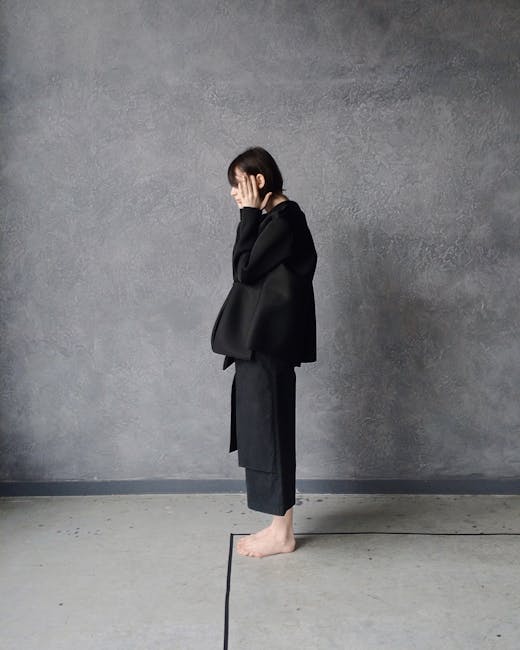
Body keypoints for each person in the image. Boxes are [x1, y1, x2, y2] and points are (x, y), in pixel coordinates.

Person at [211, 146, 317, 558]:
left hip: (269, 346)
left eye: (238, 184)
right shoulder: (275, 220)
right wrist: (252, 216)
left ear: (259, 180)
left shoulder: (285, 219)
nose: (234, 194)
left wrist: (248, 215)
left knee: (271, 433)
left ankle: (283, 532)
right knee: (259, 432)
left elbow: (244, 270)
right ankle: (277, 525)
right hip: (259, 346)